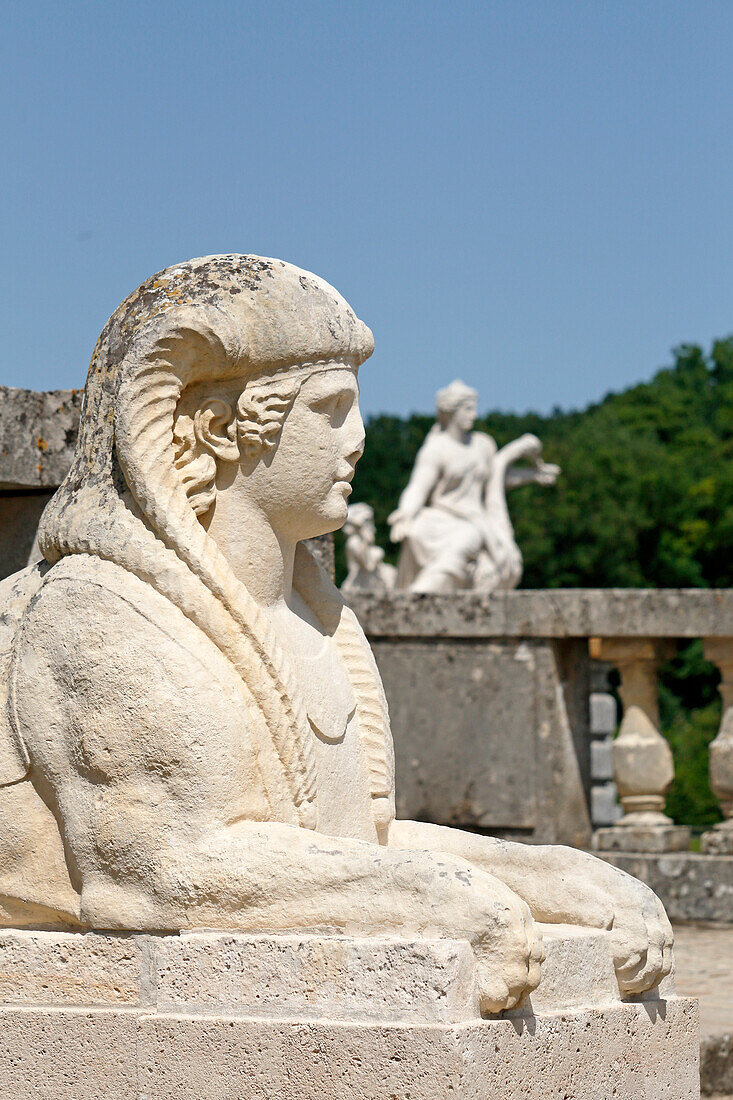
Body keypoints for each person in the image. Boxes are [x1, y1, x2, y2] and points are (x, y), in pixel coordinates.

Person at [0, 256, 670, 1012]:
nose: (356, 441)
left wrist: (551, 877)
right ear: (219, 428)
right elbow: (154, 874)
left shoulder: (317, 620)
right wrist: (437, 898)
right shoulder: (104, 617)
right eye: (330, 410)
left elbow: (352, 844)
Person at [389, 380, 560, 592]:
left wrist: (532, 475)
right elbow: (418, 487)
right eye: (468, 409)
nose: (474, 415)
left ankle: (427, 590)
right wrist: (405, 514)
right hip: (444, 516)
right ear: (452, 411)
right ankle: (424, 591)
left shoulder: (484, 444)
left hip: (477, 518)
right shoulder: (436, 448)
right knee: (441, 533)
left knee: (470, 535)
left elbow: (496, 479)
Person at [341, 502, 396, 595]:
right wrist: (365, 539)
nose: (373, 528)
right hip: (361, 583)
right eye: (369, 523)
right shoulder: (354, 542)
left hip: (371, 581)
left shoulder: (360, 542)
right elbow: (367, 565)